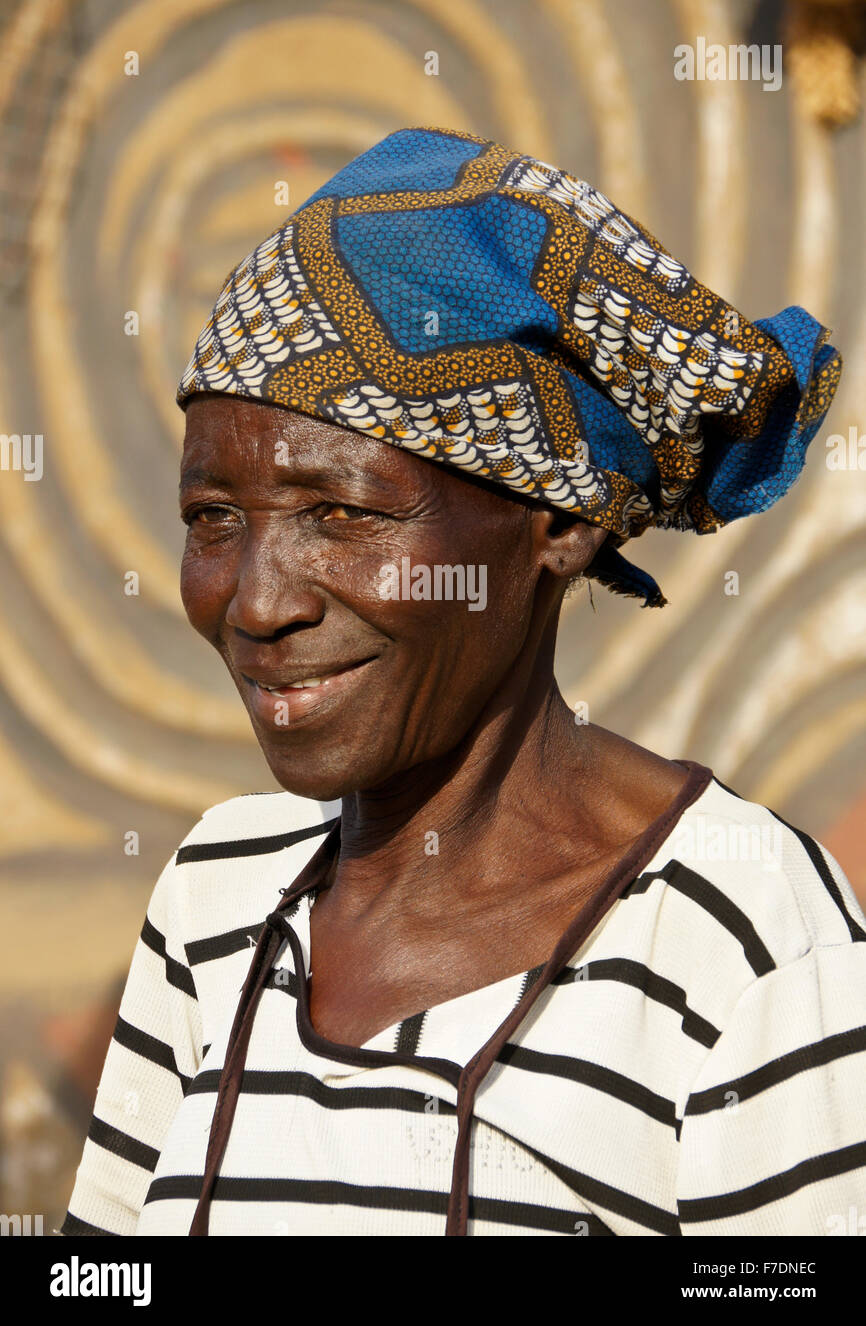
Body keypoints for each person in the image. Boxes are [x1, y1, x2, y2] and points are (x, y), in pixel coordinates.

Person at [62, 126, 865, 1237]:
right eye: (214, 520)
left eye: (341, 513)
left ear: (560, 523)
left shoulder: (736, 932)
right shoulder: (218, 894)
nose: (256, 601)